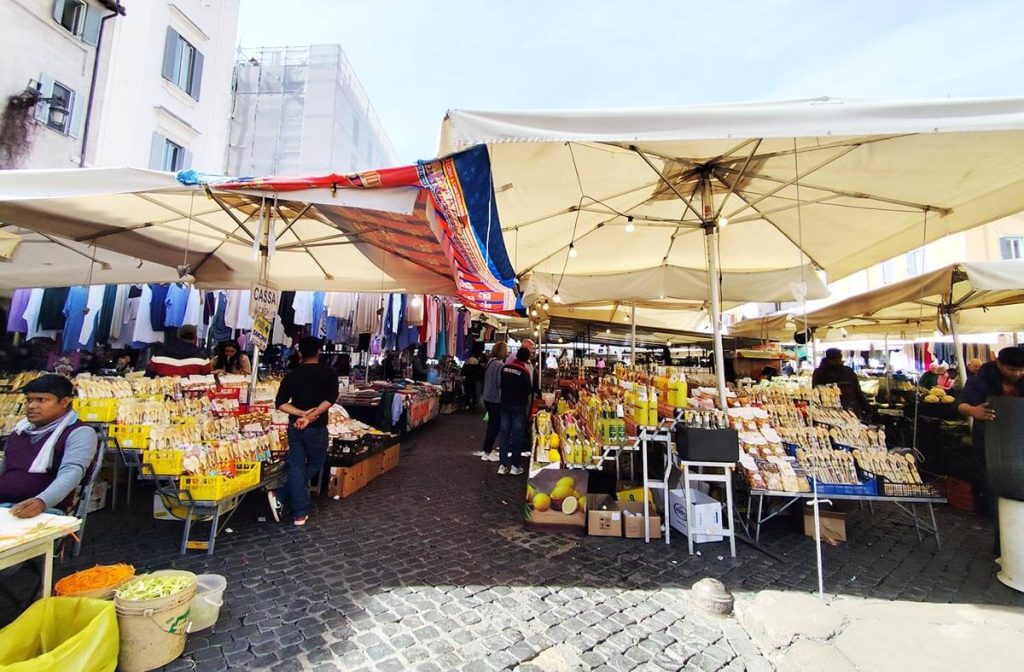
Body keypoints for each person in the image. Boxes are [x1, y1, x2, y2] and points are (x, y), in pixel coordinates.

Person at [0, 375, 97, 518]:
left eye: (41, 400)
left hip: (45, 512)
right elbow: (5, 467)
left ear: (64, 402)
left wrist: (42, 501)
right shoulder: (20, 431)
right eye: (29, 400)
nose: (32, 406)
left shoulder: (79, 432)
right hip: (4, 507)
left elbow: (72, 472)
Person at [271, 337, 340, 526]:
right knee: (316, 461)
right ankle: (284, 496)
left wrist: (301, 414)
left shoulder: (292, 375)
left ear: (300, 353)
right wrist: (310, 416)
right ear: (319, 351)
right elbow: (330, 399)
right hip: (316, 428)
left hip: (296, 426)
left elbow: (281, 404)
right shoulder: (328, 373)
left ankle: (298, 513)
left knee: (296, 465)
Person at [957, 346, 1024, 527]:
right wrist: (974, 410)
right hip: (991, 439)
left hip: (1018, 436)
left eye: (1021, 370)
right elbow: (962, 405)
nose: (1017, 374)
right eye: (1012, 369)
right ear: (1000, 365)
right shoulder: (983, 378)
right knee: (995, 482)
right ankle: (1000, 530)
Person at [496, 347, 533, 476]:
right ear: (527, 358)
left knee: (504, 435)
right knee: (517, 436)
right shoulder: (524, 371)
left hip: (505, 404)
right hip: (518, 406)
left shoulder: (505, 368)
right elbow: (528, 390)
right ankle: (515, 466)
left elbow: (501, 384)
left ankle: (502, 465)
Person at [812, 348, 871, 419]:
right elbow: (858, 392)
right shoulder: (848, 371)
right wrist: (867, 409)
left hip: (829, 412)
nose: (838, 361)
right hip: (847, 411)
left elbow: (815, 392)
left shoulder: (819, 372)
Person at [476, 341, 508, 462]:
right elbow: (500, 383)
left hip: (487, 396)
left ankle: (487, 449)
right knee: (495, 425)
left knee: (492, 424)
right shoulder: (500, 365)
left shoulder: (490, 362)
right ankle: (487, 451)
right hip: (495, 398)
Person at [146, 325, 212, 377]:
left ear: (178, 336)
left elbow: (148, 376)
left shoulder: (158, 355)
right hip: (192, 392)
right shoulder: (203, 359)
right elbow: (208, 380)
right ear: (195, 338)